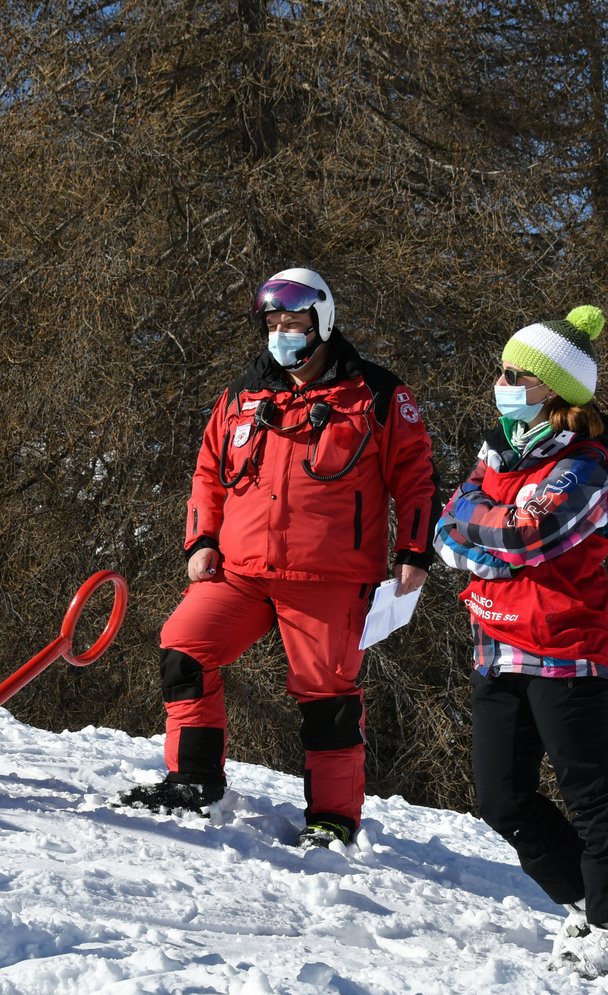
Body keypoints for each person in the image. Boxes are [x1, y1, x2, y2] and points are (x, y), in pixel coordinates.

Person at [117, 267, 440, 848]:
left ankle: (333, 819)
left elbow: (416, 477)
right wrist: (202, 540)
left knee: (327, 696)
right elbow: (206, 472)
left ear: (323, 323)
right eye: (273, 323)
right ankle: (193, 781)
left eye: (294, 322)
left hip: (330, 577)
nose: (282, 333)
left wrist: (414, 551)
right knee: (183, 645)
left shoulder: (377, 394)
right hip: (240, 570)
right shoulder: (243, 395)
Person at [434, 306, 608, 977]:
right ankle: (588, 900)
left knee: (590, 791)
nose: (499, 381)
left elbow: (529, 533)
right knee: (502, 797)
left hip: (565, 650)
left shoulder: (584, 466)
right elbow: (447, 529)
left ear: (552, 388)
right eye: (502, 370)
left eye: (514, 373)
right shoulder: (495, 455)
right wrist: (484, 539)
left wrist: (484, 536)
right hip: (495, 646)